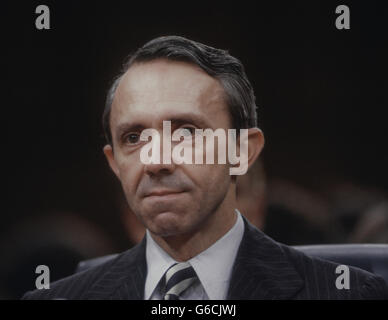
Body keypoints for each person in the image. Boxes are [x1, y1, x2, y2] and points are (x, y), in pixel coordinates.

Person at [23, 36, 388, 300]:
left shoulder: (349, 294)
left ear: (243, 151)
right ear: (113, 162)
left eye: (185, 131)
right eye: (133, 138)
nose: (156, 161)